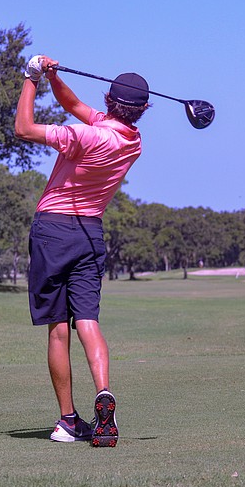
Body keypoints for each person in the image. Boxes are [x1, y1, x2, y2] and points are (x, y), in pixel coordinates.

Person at [14, 55, 149, 447]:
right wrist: (53, 77)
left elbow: (23, 128)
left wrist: (30, 78)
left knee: (58, 328)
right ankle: (103, 391)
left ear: (108, 99)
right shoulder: (132, 141)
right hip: (90, 233)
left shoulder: (86, 136)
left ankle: (68, 421)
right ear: (142, 110)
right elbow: (73, 104)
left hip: (53, 231)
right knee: (87, 319)